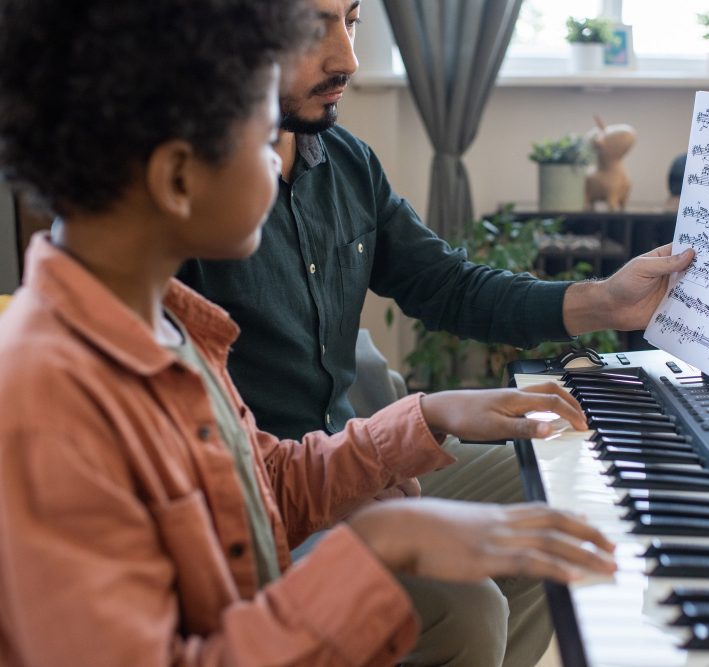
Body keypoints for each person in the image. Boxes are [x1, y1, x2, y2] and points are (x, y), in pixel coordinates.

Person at [0, 1, 618, 665]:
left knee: (538, 517)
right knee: (468, 607)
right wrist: (375, 546)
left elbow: (262, 480)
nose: (281, 161)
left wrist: (422, 420)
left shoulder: (169, 328)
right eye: (264, 137)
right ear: (179, 177)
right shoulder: (47, 406)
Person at [178, 1, 694, 664]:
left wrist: (602, 301)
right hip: (269, 504)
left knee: (555, 502)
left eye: (353, 19)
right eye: (314, 26)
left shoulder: (347, 162)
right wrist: (388, 457)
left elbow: (446, 284)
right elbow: (224, 481)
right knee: (469, 607)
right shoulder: (179, 218)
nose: (348, 58)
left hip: (334, 463)